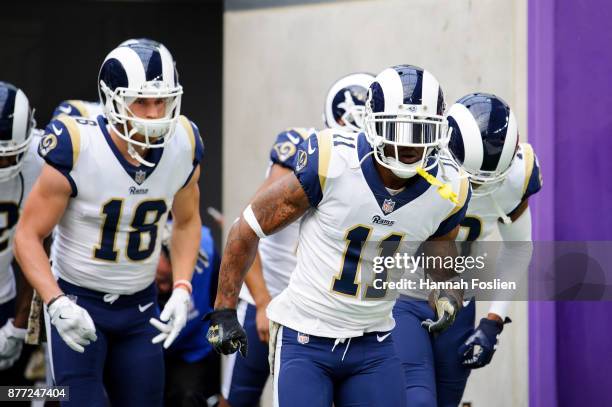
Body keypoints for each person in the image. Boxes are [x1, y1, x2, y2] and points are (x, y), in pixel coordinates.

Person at [206, 65, 471, 407]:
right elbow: (247, 227)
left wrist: (447, 290)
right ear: (373, 125)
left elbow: (441, 250)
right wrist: (225, 309)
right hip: (306, 338)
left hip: (375, 340)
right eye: (398, 129)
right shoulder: (333, 160)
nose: (410, 143)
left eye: (422, 130)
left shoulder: (450, 186)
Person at [14, 41, 203, 406]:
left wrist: (182, 286)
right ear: (113, 101)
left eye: (161, 100)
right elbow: (27, 235)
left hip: (141, 309)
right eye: (142, 101)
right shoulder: (79, 145)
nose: (154, 113)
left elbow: (187, 221)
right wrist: (56, 302)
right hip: (78, 303)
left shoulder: (185, 143)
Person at [222, 72, 374, 407]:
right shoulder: (306, 152)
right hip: (267, 295)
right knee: (237, 399)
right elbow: (245, 226)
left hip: (318, 311)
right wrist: (263, 302)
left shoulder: (379, 172)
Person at [392, 93, 541, 406]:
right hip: (403, 294)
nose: (477, 188)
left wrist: (493, 322)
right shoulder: (415, 154)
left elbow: (518, 249)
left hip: (461, 300)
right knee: (417, 401)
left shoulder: (517, 176)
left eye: (489, 180)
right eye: (472, 178)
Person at [0, 82, 43, 377]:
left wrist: (19, 323)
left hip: (5, 299)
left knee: (10, 395)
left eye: (10, 155)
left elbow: (45, 243)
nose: (3, 165)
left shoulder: (41, 158)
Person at [157, 222, 222, 407]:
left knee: (188, 397)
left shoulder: (206, 252)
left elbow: (218, 298)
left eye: (170, 281)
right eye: (160, 281)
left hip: (192, 347)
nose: (164, 287)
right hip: (148, 349)